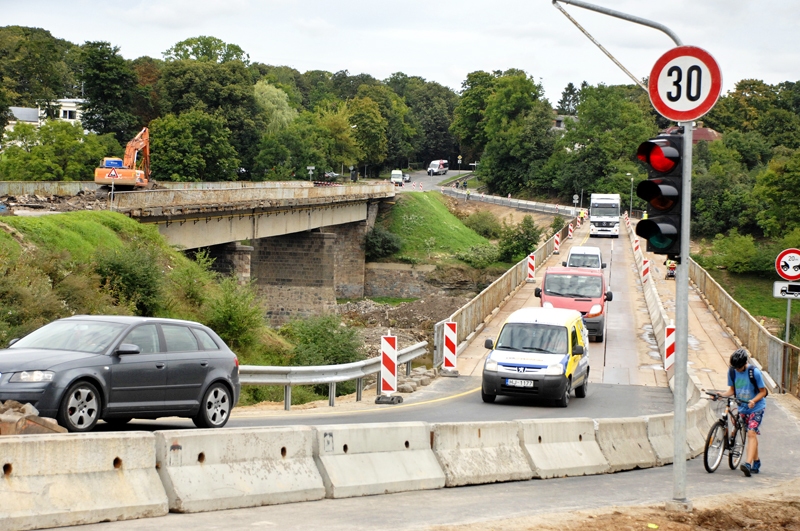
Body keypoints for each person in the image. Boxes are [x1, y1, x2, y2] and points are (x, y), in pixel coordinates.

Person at [714, 348, 767, 476]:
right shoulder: (732, 371)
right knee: (750, 434)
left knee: (751, 433)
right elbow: (732, 390)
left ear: (744, 363)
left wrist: (753, 401)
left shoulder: (754, 373)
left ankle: (747, 464)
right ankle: (756, 461)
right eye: (735, 367)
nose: (737, 369)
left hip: (756, 407)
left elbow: (763, 392)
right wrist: (721, 395)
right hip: (742, 407)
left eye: (739, 367)